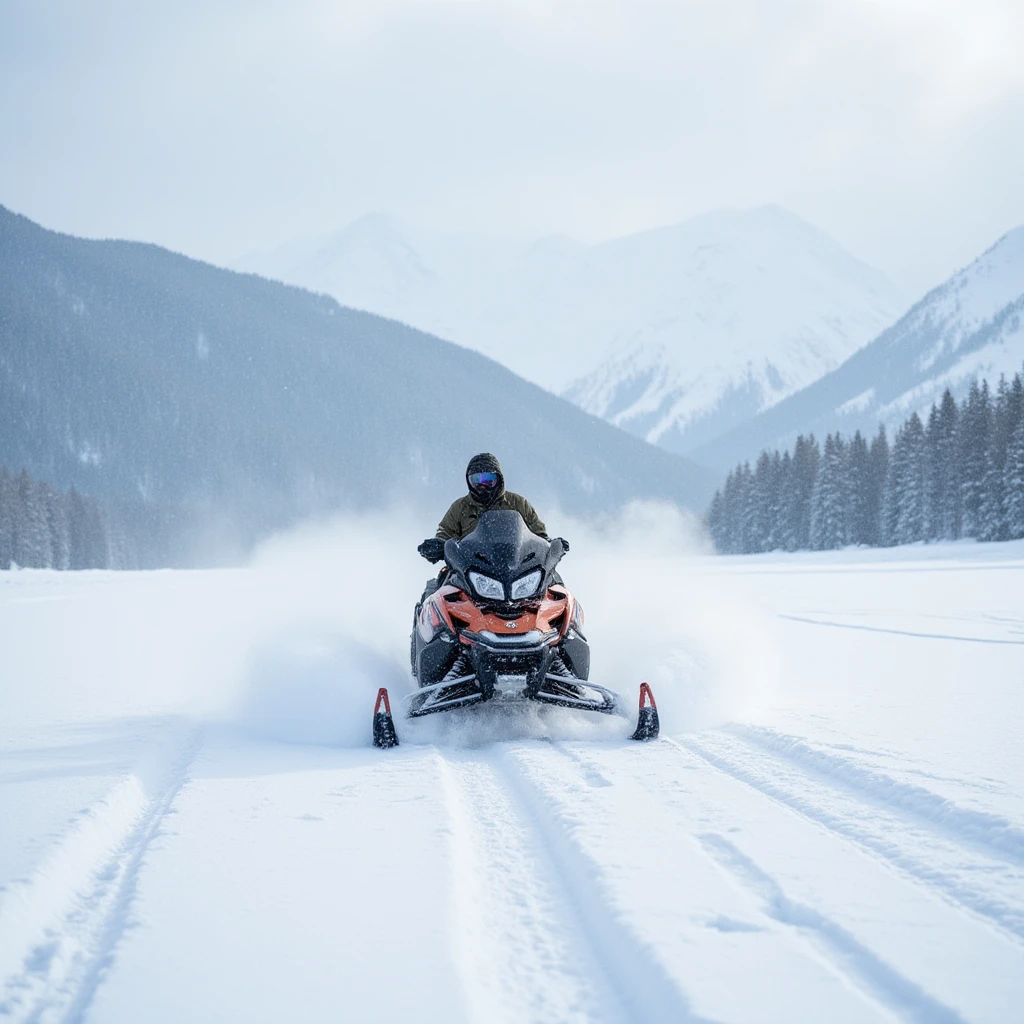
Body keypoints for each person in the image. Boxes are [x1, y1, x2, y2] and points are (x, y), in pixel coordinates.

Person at [418, 453, 548, 562]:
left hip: (515, 566)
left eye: (488, 479)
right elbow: (445, 532)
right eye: (476, 480)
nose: (482, 485)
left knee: (551, 582)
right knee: (443, 584)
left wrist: (550, 545)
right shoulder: (460, 507)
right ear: (468, 481)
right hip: (469, 567)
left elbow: (538, 534)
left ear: (499, 479)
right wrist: (438, 544)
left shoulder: (518, 503)